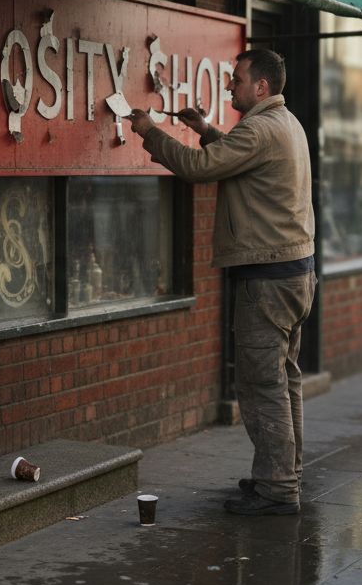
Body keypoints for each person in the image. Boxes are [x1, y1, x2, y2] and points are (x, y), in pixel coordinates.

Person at [125, 49, 316, 516]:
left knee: (261, 385)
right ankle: (283, 474)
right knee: (284, 379)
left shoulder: (260, 128)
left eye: (237, 80)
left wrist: (150, 131)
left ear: (261, 88)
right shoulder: (285, 123)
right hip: (295, 274)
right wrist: (204, 129)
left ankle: (277, 490)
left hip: (267, 281)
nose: (230, 87)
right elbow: (237, 157)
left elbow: (198, 169)